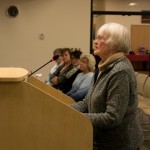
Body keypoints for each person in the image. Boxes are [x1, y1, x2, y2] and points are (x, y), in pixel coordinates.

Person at [70, 22, 144, 150]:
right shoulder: (103, 66)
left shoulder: (120, 71)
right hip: (102, 141)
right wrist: (64, 110)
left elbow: (112, 117)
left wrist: (77, 117)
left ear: (114, 44)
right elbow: (87, 102)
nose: (95, 41)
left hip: (120, 144)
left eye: (100, 38)